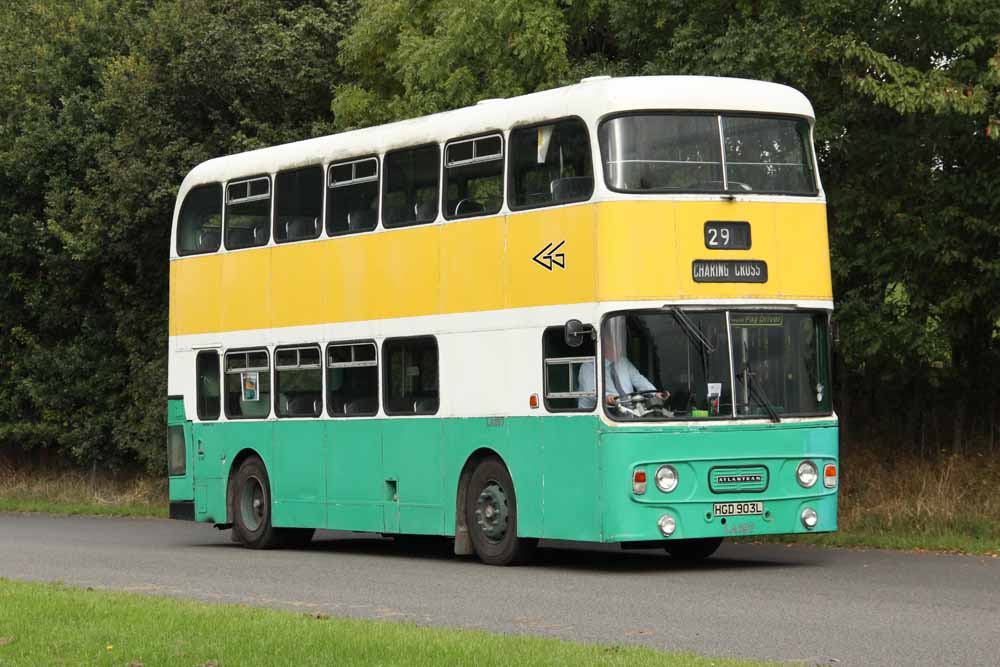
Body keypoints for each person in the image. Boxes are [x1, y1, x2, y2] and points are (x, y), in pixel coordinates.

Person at [578, 319, 669, 409]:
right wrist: (607, 397)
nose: (619, 348)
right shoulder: (588, 366)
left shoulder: (623, 361)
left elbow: (638, 379)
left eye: (619, 344)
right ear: (603, 344)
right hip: (598, 416)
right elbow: (590, 392)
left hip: (625, 413)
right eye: (614, 344)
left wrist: (655, 394)